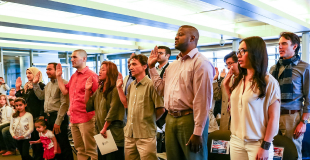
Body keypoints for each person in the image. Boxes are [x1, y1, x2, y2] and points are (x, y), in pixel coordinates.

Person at [148, 25, 214, 160]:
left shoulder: (201, 63)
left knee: (194, 157)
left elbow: (203, 100)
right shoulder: (173, 65)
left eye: (180, 34)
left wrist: (198, 132)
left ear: (192, 38)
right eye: (176, 34)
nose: (176, 37)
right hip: (171, 119)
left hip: (190, 119)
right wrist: (151, 68)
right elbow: (161, 91)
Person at [223, 36, 281, 160]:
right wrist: (227, 89)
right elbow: (237, 109)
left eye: (243, 51)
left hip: (258, 143)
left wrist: (265, 146)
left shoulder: (269, 81)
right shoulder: (239, 79)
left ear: (255, 52)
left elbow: (274, 118)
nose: (238, 55)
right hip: (236, 141)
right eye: (238, 51)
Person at [270, 32, 310, 160]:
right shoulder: (273, 68)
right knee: (274, 152)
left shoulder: (304, 67)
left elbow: (309, 98)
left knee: (292, 153)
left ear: (294, 46)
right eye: (279, 44)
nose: (280, 47)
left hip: (292, 118)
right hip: (273, 116)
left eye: (284, 44)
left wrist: (303, 122)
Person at [117, 54, 165, 160]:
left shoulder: (151, 85)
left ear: (144, 66)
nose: (130, 67)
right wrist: (119, 88)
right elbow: (126, 105)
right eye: (130, 65)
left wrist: (148, 121)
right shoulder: (131, 86)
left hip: (146, 135)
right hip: (130, 134)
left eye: (134, 64)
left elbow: (161, 109)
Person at [56, 49, 99, 160]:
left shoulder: (92, 76)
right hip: (74, 118)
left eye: (74, 57)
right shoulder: (74, 76)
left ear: (84, 59)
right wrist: (59, 77)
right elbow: (65, 91)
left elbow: (99, 99)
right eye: (71, 57)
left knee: (91, 150)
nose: (71, 59)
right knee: (80, 149)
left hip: (87, 118)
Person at [32, 62, 73, 160]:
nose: (47, 71)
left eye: (49, 69)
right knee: (52, 144)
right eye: (46, 69)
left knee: (63, 143)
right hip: (48, 117)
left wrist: (58, 122)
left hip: (58, 116)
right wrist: (35, 84)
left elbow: (64, 104)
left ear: (57, 70)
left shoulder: (64, 83)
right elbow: (41, 96)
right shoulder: (48, 85)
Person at [86, 61, 125, 160]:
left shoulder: (115, 89)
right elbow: (88, 105)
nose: (99, 71)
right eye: (100, 69)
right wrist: (87, 90)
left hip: (113, 134)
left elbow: (113, 110)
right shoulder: (100, 89)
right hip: (102, 133)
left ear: (110, 72)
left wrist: (104, 128)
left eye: (103, 69)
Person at [15, 67, 45, 160]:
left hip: (36, 116)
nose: (27, 75)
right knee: (31, 140)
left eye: (30, 73)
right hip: (28, 116)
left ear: (36, 74)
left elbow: (42, 101)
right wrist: (18, 88)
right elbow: (23, 101)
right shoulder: (27, 86)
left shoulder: (41, 85)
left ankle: (39, 158)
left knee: (37, 140)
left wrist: (41, 115)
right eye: (27, 73)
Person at [213, 51, 239, 130]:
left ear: (239, 62)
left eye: (230, 63)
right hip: (225, 120)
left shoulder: (245, 80)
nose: (228, 67)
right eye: (227, 64)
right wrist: (214, 81)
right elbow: (217, 97)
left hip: (238, 120)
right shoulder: (226, 79)